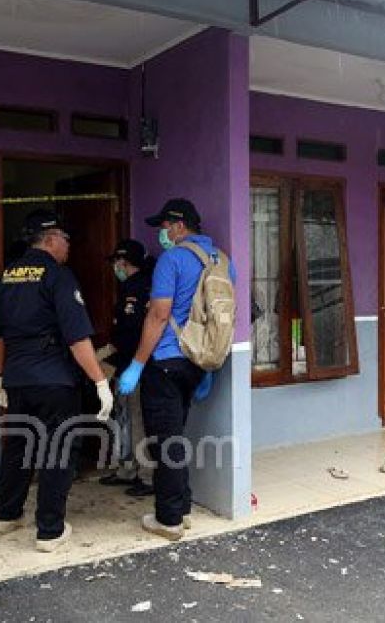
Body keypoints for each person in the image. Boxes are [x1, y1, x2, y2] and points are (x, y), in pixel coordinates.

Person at [0, 209, 114, 553]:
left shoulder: (4, 277)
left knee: (17, 447)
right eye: (65, 238)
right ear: (51, 239)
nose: (68, 245)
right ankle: (49, 530)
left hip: (17, 378)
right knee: (58, 450)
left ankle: (7, 515)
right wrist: (100, 382)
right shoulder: (58, 276)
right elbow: (77, 338)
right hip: (54, 380)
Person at [117, 198, 236, 541]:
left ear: (180, 226)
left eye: (164, 227)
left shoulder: (172, 259)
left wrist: (136, 365)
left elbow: (158, 314)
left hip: (166, 362)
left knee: (165, 441)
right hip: (197, 362)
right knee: (176, 434)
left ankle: (168, 519)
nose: (162, 234)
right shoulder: (223, 261)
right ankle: (180, 506)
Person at [97, 239, 155, 496]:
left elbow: (131, 334)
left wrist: (114, 357)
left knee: (137, 420)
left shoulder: (137, 289)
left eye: (115, 262)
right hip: (127, 364)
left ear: (123, 262)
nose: (114, 267)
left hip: (136, 366)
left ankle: (146, 477)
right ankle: (127, 469)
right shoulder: (131, 286)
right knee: (124, 418)